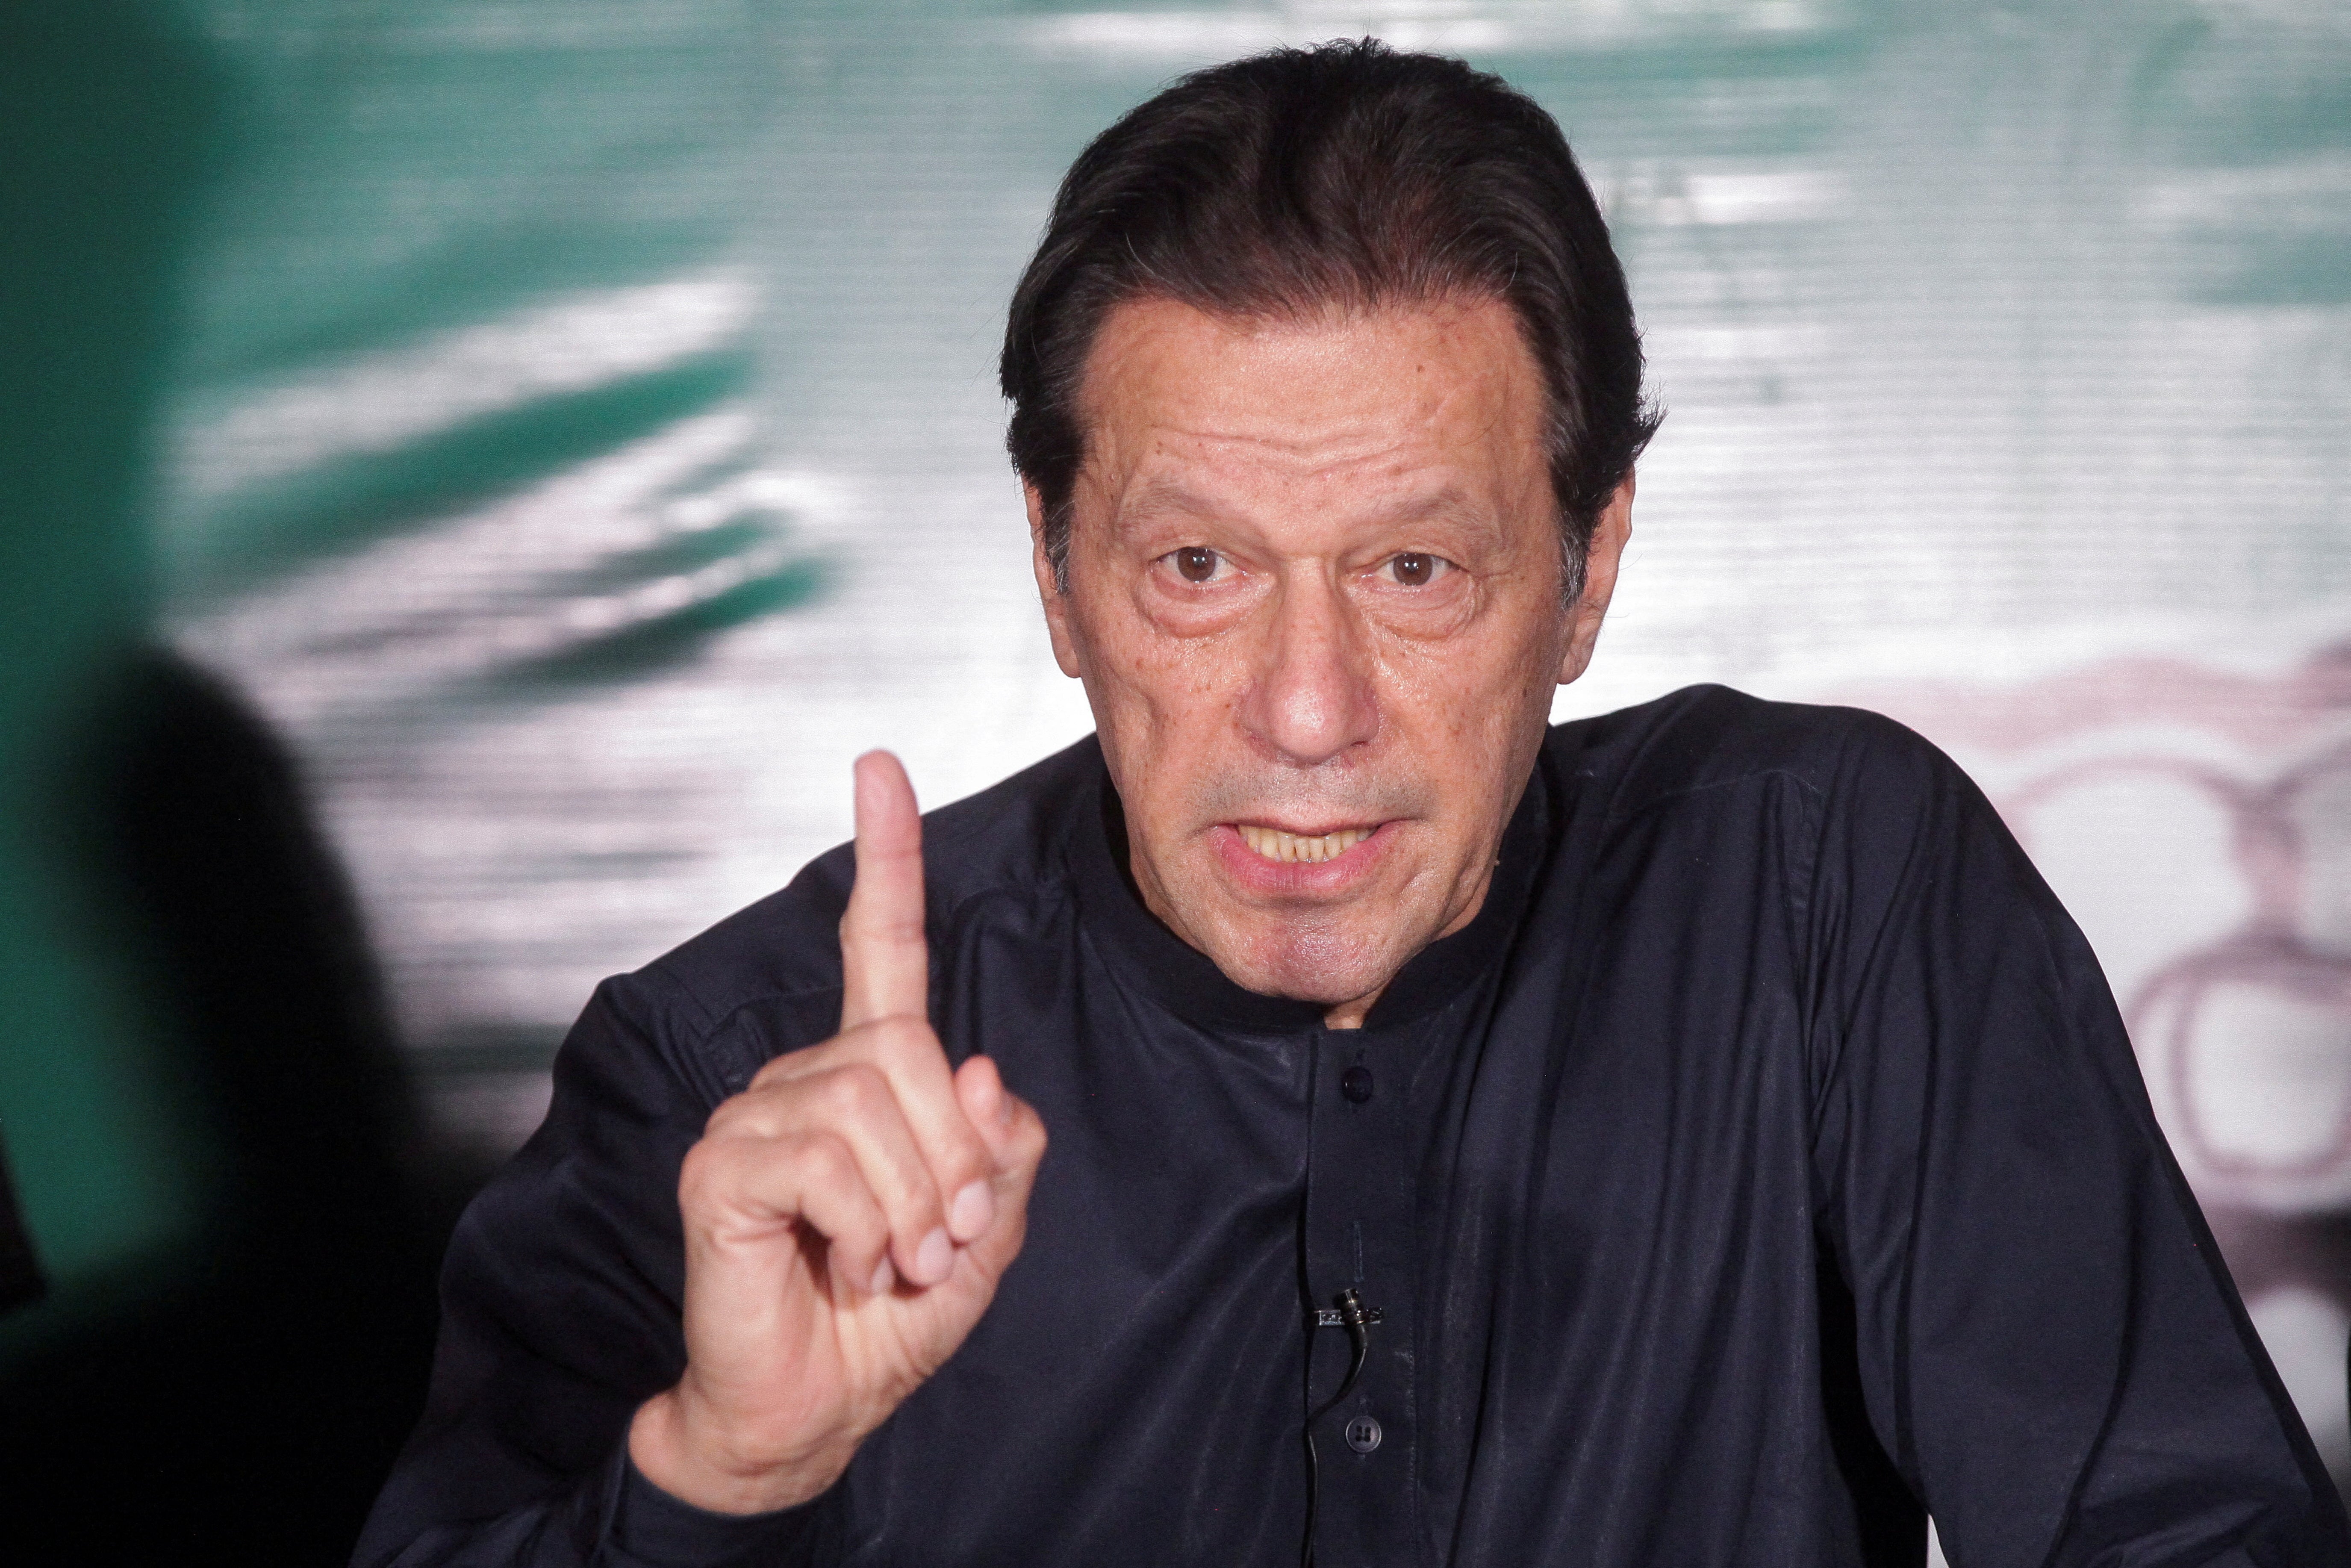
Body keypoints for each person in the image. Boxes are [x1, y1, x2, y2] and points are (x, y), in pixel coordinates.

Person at [356, 41, 2349, 1568]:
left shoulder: (1824, 891)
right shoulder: (730, 1073)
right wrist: (722, 1481)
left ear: (1588, 572)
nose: (1307, 715)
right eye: (1197, 569)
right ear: (1054, 571)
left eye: (1416, 570)